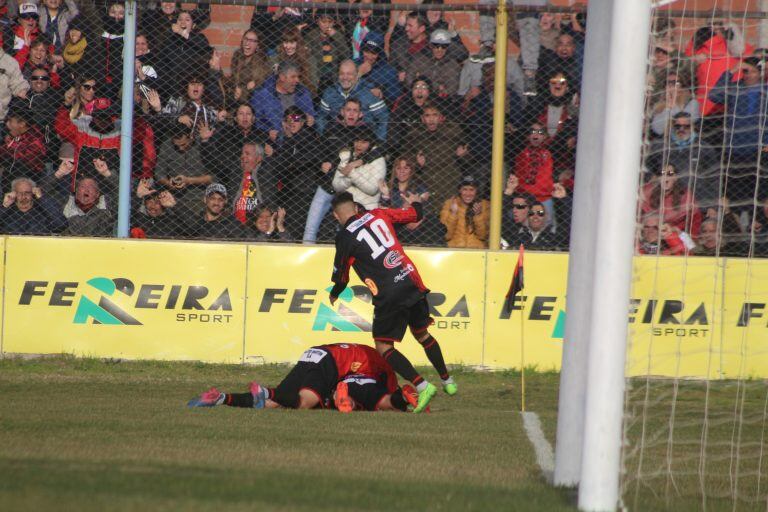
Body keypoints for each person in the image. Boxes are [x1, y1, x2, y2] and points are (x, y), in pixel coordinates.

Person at [328, 191, 457, 413]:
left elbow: (341, 274)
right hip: (411, 281)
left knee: (384, 346)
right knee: (422, 334)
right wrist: (415, 201)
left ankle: (423, 386)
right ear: (357, 208)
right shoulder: (380, 214)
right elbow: (416, 214)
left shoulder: (345, 237)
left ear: (336, 215)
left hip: (389, 293)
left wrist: (336, 291)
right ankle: (447, 381)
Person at [188, 343, 416, 413]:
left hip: (314, 353)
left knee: (276, 403)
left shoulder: (373, 356)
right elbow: (383, 400)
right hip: (331, 361)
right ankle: (267, 391)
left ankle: (221, 398)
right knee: (304, 402)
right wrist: (402, 402)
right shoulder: (385, 373)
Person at [316, 59, 389, 141]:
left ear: (357, 75)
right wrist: (323, 138)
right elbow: (321, 117)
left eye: (349, 74)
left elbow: (383, 118)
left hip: (363, 138)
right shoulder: (329, 92)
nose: (345, 77)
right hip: (337, 137)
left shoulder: (369, 93)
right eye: (342, 73)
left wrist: (379, 143)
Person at [250, 61, 316, 142]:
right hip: (271, 140)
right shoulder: (262, 94)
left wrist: (309, 119)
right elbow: (255, 121)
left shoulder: (303, 93)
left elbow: (307, 115)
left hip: (299, 140)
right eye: (293, 77)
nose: (297, 80)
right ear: (282, 77)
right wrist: (267, 132)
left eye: (298, 77)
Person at [331, 125, 386, 210]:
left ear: (370, 143)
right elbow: (336, 186)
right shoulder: (346, 156)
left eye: (363, 142)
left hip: (368, 209)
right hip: (347, 207)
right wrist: (349, 178)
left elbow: (372, 189)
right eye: (356, 141)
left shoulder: (378, 161)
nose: (359, 145)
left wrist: (351, 173)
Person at [0, 176, 67, 234]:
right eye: (19, 193)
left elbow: (61, 224)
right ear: (13, 193)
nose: (23, 196)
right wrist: (5, 206)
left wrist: (41, 198)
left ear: (33, 193)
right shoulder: (7, 212)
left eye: (27, 192)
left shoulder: (43, 211)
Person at [304, 9, 349, 94]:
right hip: (317, 75)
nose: (327, 25)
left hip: (334, 75)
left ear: (333, 23)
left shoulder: (338, 34)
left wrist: (336, 36)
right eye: (323, 22)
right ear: (317, 21)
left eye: (330, 22)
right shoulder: (311, 36)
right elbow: (307, 55)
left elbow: (346, 55)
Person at [439, 175, 490, 249]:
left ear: (477, 191)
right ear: (459, 190)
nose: (468, 193)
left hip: (477, 251)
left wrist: (478, 215)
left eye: (472, 189)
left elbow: (483, 236)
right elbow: (446, 236)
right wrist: (453, 214)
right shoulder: (449, 204)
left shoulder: (485, 205)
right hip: (454, 250)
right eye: (465, 189)